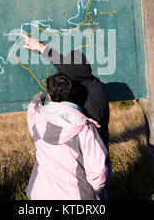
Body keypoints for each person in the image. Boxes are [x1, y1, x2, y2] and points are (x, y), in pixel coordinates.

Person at [22, 34, 112, 199]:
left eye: (64, 70)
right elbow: (66, 65)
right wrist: (40, 47)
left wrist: (94, 191)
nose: (60, 70)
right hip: (88, 165)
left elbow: (94, 165)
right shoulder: (93, 84)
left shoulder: (86, 104)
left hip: (86, 166)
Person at [26, 74, 108, 200]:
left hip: (41, 193)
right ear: (72, 93)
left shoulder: (37, 120)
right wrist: (94, 191)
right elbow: (97, 171)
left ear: (49, 96)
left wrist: (38, 98)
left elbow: (32, 110)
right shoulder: (85, 129)